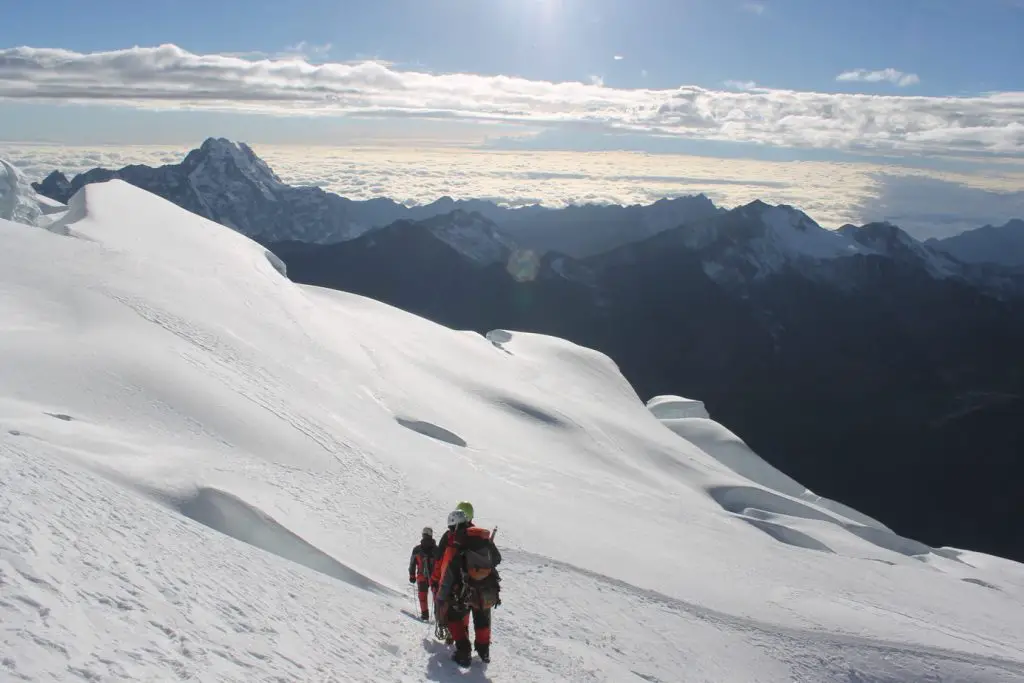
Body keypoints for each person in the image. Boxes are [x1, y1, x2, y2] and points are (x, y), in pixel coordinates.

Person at [434, 508, 502, 667]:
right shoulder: (482, 539)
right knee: (482, 620)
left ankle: (464, 653)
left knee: (453, 617)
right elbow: (497, 559)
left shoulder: (459, 541)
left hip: (463, 592)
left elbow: (451, 570)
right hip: (486, 589)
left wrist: (441, 597)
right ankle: (484, 653)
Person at [408, 527, 437, 621]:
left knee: (422, 596)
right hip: (435, 577)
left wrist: (412, 576)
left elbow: (412, 564)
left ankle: (425, 615)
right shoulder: (437, 549)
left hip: (422, 577)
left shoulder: (417, 549)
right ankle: (439, 617)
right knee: (437, 597)